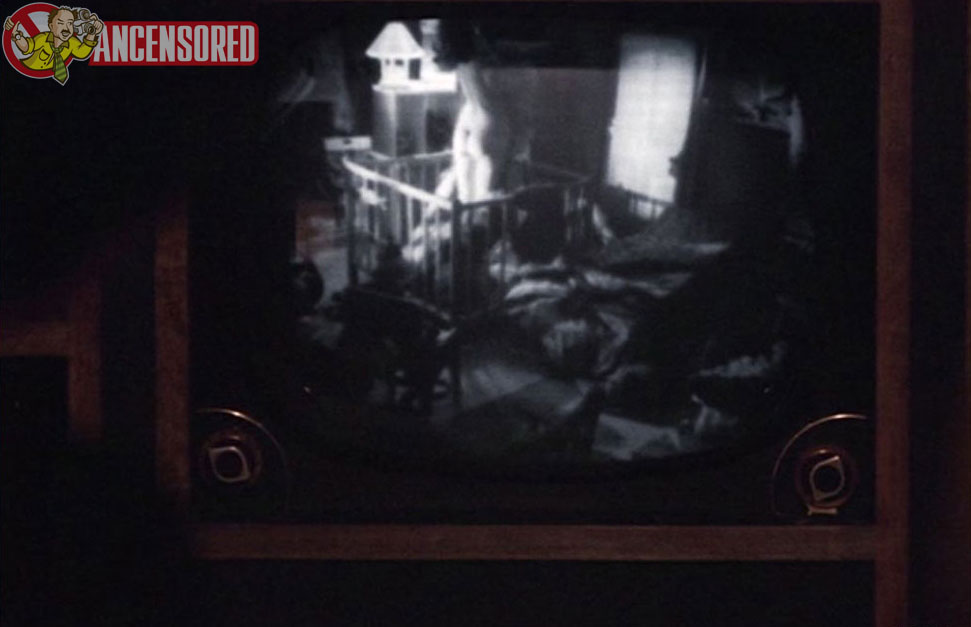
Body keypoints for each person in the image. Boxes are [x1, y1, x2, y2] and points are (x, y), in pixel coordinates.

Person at [431, 20, 531, 204]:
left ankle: (436, 214)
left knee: (465, 198)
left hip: (467, 116)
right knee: (481, 200)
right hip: (488, 117)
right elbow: (515, 99)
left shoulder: (458, 52)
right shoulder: (491, 52)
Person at [4, 6, 103, 85]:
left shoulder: (72, 42)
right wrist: (16, 35)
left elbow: (82, 53)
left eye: (70, 23)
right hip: (25, 76)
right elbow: (26, 47)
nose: (66, 28)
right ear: (51, 26)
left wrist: (92, 33)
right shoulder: (43, 38)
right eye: (60, 23)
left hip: (50, 84)